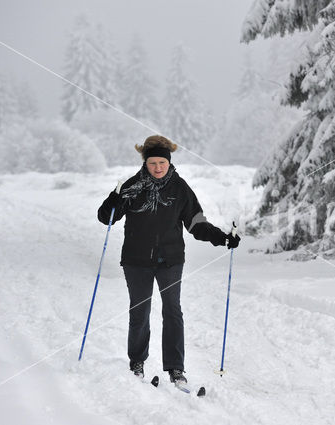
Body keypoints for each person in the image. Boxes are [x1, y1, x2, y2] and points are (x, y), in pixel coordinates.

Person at [97, 135, 240, 385]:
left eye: (162, 162)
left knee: (173, 311)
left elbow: (196, 223)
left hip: (171, 260)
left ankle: (175, 368)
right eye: (153, 163)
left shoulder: (180, 188)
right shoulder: (132, 185)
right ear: (146, 162)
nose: (158, 168)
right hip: (136, 260)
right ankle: (137, 362)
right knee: (139, 311)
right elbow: (106, 218)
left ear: (169, 161)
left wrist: (222, 238)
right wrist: (115, 196)